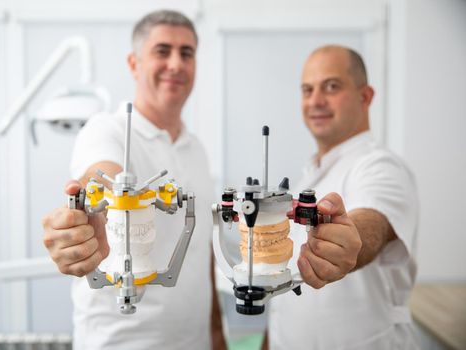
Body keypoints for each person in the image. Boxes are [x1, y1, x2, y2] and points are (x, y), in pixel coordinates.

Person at [42, 10, 226, 349]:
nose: (175, 63)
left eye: (186, 53)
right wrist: (92, 212)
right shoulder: (105, 129)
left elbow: (203, 254)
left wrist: (216, 332)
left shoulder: (196, 149)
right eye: (162, 51)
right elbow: (100, 175)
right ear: (133, 63)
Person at [266, 45, 419, 349]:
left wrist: (348, 240)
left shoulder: (380, 167)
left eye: (331, 86)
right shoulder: (308, 177)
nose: (316, 101)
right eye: (307, 90)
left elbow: (371, 222)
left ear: (365, 97)